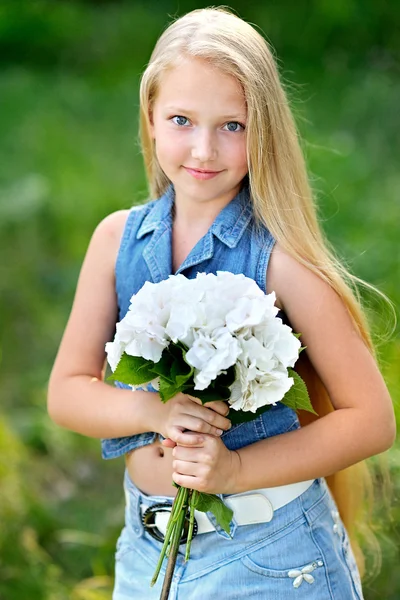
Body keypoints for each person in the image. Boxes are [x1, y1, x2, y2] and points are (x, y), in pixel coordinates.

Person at [47, 7, 396, 599]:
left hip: (270, 560)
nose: (203, 149)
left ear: (264, 130)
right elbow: (66, 390)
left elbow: (372, 419)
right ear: (150, 118)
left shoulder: (281, 262)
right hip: (146, 556)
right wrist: (150, 413)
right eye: (182, 119)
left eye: (232, 125)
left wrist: (234, 471)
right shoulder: (117, 241)